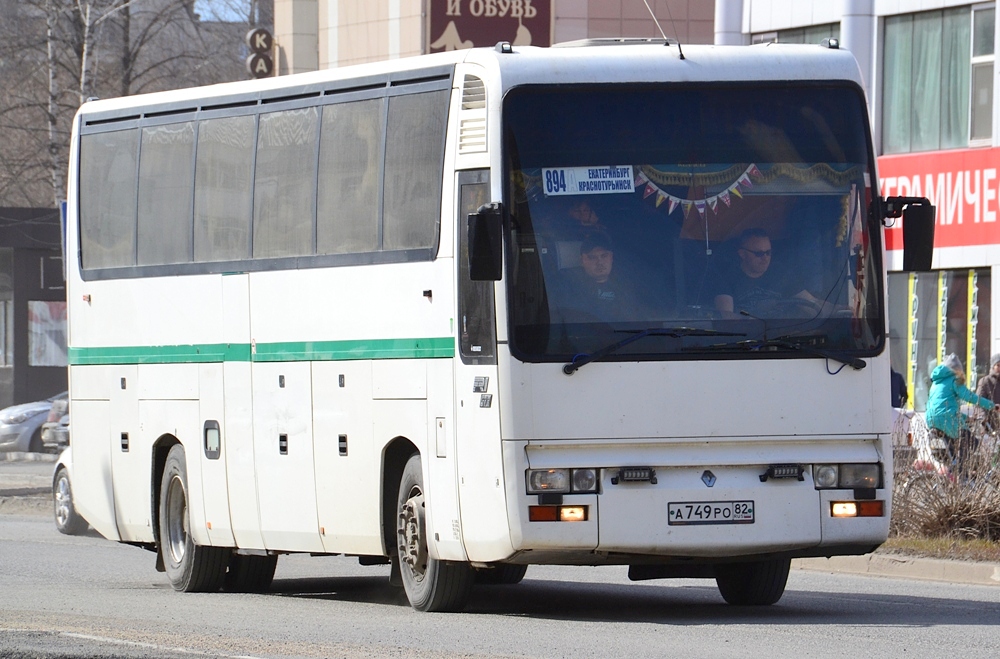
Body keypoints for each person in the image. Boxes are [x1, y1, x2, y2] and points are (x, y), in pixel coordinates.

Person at [713, 228, 836, 318]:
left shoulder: (780, 273)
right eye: (759, 253)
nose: (765, 258)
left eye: (768, 253)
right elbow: (725, 317)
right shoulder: (727, 278)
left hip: (784, 341)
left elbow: (811, 303)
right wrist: (752, 322)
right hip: (745, 344)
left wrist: (839, 311)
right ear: (742, 254)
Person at [925, 353, 994, 464]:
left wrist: (966, 418)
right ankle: (961, 475)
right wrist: (991, 405)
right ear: (957, 370)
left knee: (953, 451)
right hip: (947, 418)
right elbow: (968, 396)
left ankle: (952, 473)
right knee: (971, 443)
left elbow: (943, 406)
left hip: (932, 419)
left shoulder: (937, 382)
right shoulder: (954, 379)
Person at [557, 231, 637, 322]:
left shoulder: (624, 285)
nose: (599, 262)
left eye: (604, 256)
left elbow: (633, 319)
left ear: (611, 257)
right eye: (592, 257)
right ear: (582, 260)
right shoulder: (567, 282)